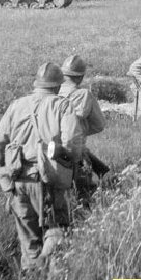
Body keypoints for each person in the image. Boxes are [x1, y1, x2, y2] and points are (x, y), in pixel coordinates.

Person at [0, 62, 84, 272]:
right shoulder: (62, 105)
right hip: (47, 181)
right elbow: (73, 146)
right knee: (57, 232)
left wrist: (7, 167)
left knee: (29, 241)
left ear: (37, 84)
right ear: (58, 86)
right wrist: (71, 162)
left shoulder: (16, 105)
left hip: (17, 183)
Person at [58, 55, 106, 206]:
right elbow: (99, 124)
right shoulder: (83, 95)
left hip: (46, 150)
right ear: (80, 77)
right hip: (74, 151)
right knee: (85, 192)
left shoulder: (49, 94)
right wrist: (82, 130)